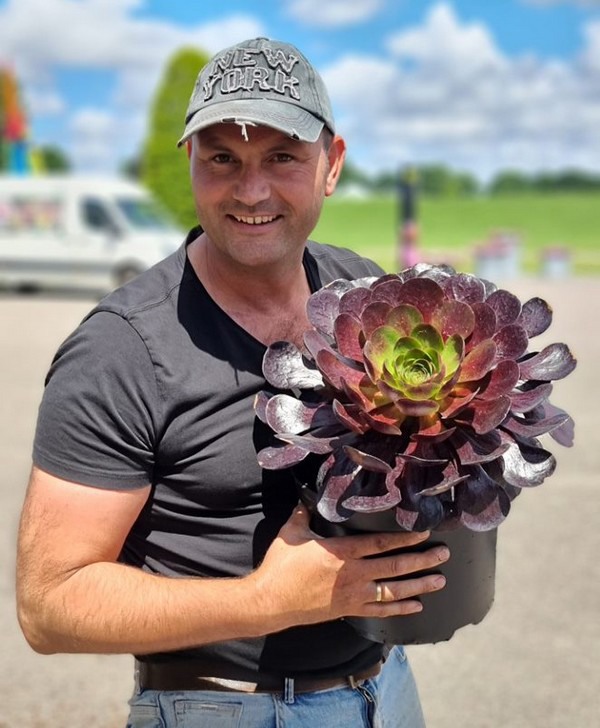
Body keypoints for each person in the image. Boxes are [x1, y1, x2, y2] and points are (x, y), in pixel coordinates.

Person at [16, 37, 450, 727]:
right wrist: (267, 601)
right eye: (222, 158)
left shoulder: (362, 292)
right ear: (190, 160)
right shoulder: (120, 349)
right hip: (222, 706)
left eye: (282, 157)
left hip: (386, 688)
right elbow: (49, 604)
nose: (251, 191)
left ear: (332, 164)